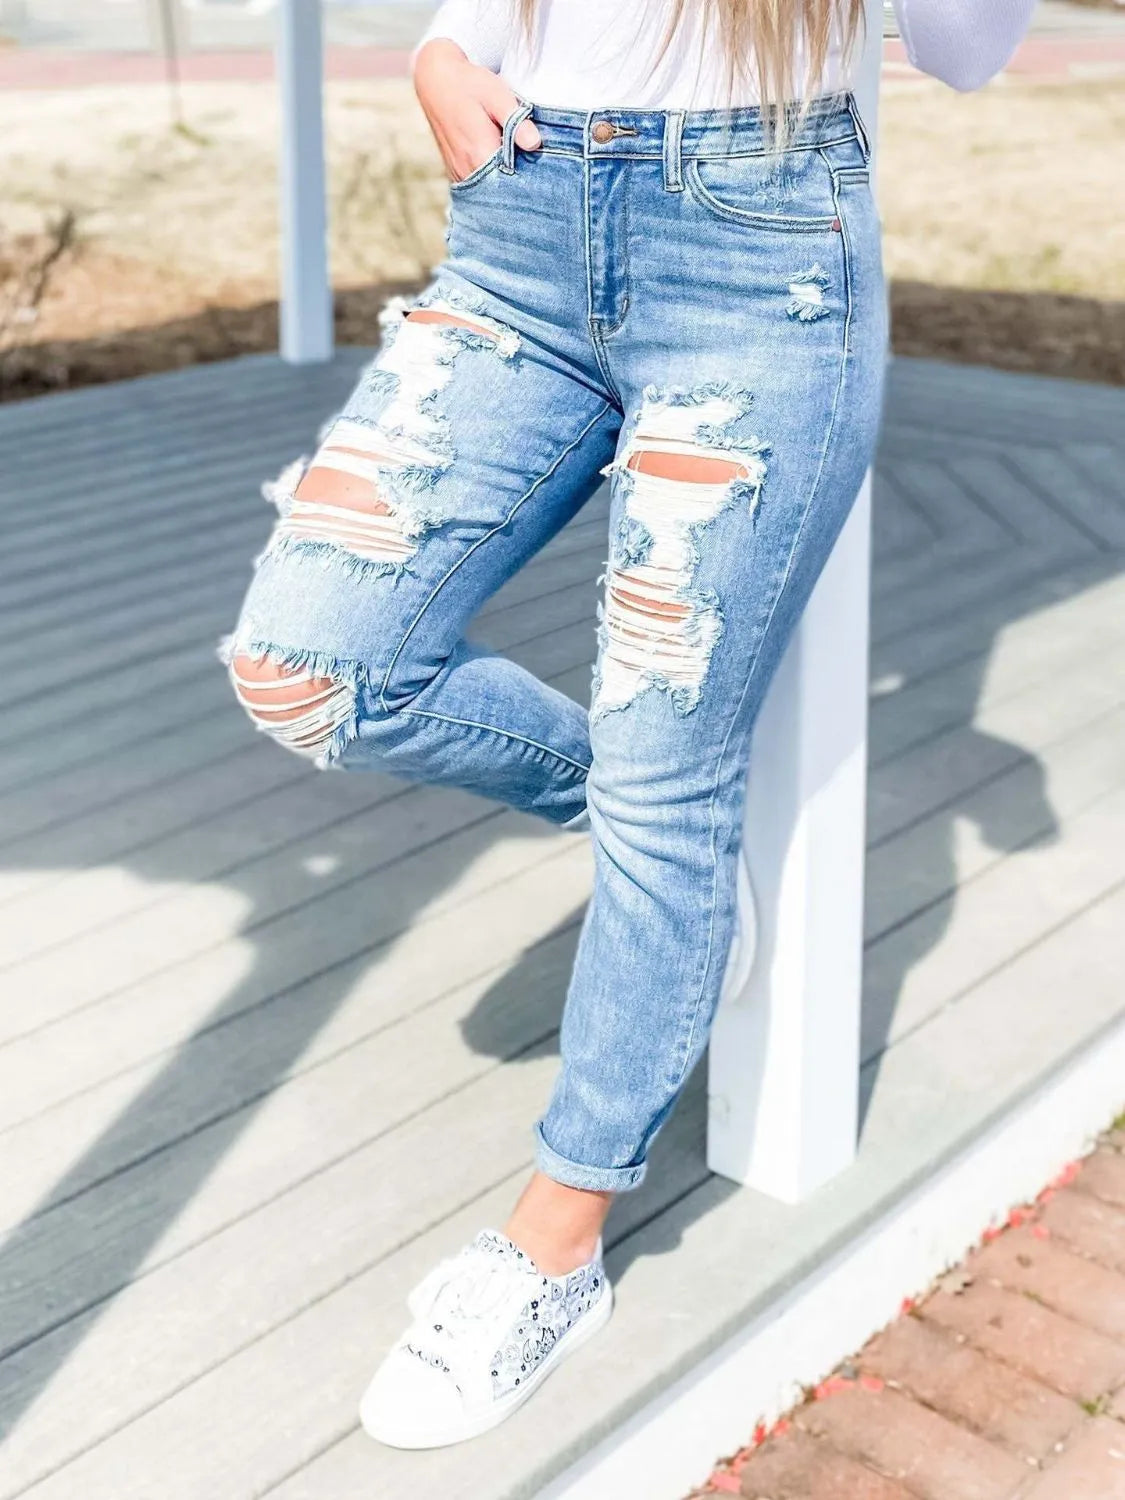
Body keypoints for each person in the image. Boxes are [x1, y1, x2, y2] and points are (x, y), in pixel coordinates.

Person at [222, 0, 1036, 1450]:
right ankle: (666, 850)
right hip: (522, 218)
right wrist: (435, 49)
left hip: (757, 241)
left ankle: (553, 1247)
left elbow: (965, 44)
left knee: (668, 768)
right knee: (312, 665)